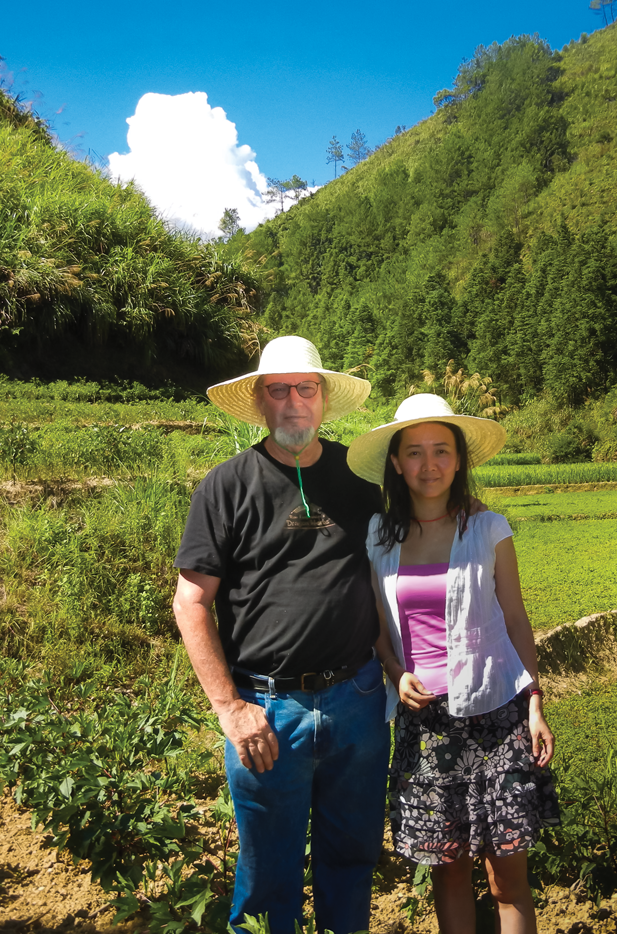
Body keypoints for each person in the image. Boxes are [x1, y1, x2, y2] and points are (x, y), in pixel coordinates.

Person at [171, 335, 390, 934]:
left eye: (306, 388)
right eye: (279, 390)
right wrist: (229, 708)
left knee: (353, 861)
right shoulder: (226, 485)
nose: (294, 401)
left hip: (358, 703)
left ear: (323, 400)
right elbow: (191, 602)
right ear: (261, 402)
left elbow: (395, 569)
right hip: (267, 711)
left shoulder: (359, 480)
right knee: (269, 876)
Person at [347, 393, 560, 934]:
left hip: (497, 717)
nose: (428, 464)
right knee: (448, 873)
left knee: (506, 877)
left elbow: (515, 618)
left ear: (460, 459)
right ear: (396, 463)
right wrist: (396, 673)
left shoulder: (489, 530)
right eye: (414, 453)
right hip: (425, 727)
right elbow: (376, 626)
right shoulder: (379, 535)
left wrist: (535, 702)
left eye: (441, 450)